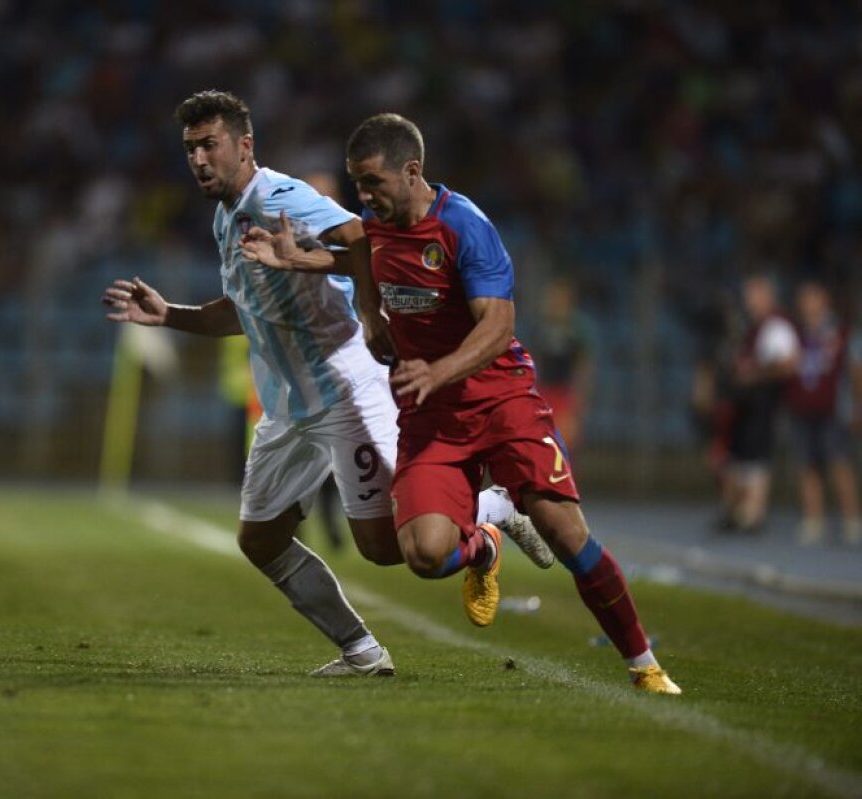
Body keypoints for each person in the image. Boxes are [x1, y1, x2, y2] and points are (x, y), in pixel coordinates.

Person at [102, 91, 551, 678]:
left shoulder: (277, 195)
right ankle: (362, 652)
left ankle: (494, 511)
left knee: (387, 548)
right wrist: (170, 315)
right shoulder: (226, 217)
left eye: (210, 145)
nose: (199, 159)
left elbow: (360, 235)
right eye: (190, 148)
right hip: (287, 408)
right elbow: (241, 310)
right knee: (260, 541)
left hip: (344, 391)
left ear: (244, 146)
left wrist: (369, 310)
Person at [243, 112, 680, 694]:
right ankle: (490, 531)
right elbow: (361, 255)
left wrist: (438, 369)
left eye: (372, 182)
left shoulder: (464, 226)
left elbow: (498, 326)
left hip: (502, 403)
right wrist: (300, 258)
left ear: (412, 171)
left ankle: (643, 664)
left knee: (565, 535)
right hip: (433, 417)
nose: (363, 197)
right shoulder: (376, 225)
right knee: (421, 552)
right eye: (357, 184)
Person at [719, 274, 799, 534]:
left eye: (754, 295)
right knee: (740, 458)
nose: (749, 301)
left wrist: (754, 373)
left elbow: (788, 364)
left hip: (763, 401)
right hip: (748, 403)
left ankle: (754, 514)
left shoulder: (777, 326)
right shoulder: (754, 327)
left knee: (756, 459)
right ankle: (740, 511)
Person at [786, 279, 861, 545]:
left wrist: (856, 405)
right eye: (804, 299)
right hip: (802, 408)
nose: (808, 304)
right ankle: (814, 519)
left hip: (832, 410)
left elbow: (855, 371)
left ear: (824, 301)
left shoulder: (840, 332)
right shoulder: (794, 333)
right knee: (807, 466)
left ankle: (852, 520)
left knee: (839, 464)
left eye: (813, 298)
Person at [529, 277, 596, 453]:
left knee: (563, 447)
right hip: (543, 393)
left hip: (565, 395)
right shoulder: (539, 328)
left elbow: (583, 367)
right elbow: (532, 362)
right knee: (540, 447)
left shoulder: (578, 330)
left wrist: (578, 401)